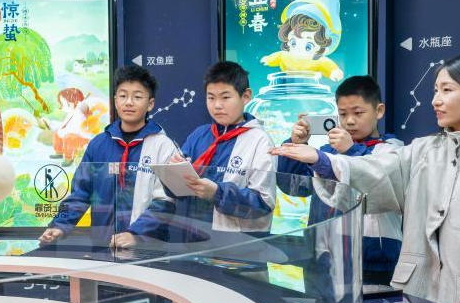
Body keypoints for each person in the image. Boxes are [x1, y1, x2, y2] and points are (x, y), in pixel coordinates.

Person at [270, 54, 460, 303]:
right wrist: (323, 160)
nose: (435, 100)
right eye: (435, 90)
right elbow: (379, 173)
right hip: (418, 300)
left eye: (447, 90)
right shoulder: (425, 149)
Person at [276, 75, 403, 284]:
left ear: (379, 111)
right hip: (323, 256)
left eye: (358, 113)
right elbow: (295, 187)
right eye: (343, 114)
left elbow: (374, 181)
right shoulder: (326, 153)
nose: (349, 121)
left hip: (371, 260)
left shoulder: (393, 151)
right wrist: (296, 144)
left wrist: (350, 150)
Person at [38, 65, 176, 248]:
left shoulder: (163, 146)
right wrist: (60, 226)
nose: (129, 102)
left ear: (150, 104)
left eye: (137, 97)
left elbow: (165, 202)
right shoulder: (98, 144)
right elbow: (80, 194)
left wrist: (135, 234)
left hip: (147, 250)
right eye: (123, 96)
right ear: (115, 100)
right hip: (102, 247)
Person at [169, 61, 276, 235]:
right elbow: (175, 191)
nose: (217, 105)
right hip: (194, 237)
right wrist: (173, 172)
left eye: (225, 97)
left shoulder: (260, 140)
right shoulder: (199, 134)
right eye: (211, 98)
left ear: (246, 96)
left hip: (239, 244)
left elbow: (263, 203)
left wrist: (217, 193)